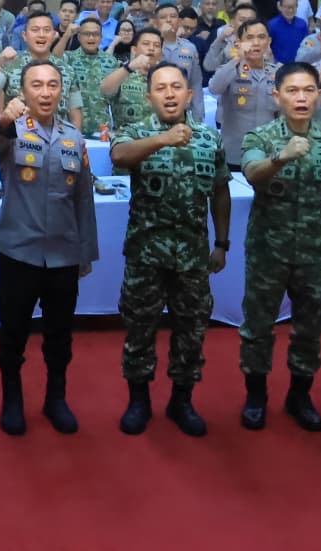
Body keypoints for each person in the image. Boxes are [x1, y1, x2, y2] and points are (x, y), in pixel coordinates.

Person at [111, 62, 231, 436]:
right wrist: (162, 140)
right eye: (160, 88)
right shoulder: (135, 132)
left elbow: (221, 191)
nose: (169, 94)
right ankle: (138, 400)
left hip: (193, 256)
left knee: (191, 331)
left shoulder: (208, 138)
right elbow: (119, 156)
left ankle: (182, 400)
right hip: (145, 254)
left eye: (176, 87)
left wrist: (222, 243)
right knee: (140, 329)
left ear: (189, 94)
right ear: (149, 97)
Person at [237, 62, 321, 432]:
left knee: (310, 328)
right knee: (258, 327)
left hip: (315, 251)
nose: (301, 98)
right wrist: (281, 156)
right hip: (267, 250)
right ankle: (256, 395)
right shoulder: (260, 137)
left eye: (308, 90)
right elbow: (251, 174)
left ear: (319, 94)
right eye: (292, 90)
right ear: (277, 96)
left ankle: (300, 395)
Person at [0, 64, 98, 436]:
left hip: (63, 254)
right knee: (13, 334)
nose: (45, 92)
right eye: (37, 85)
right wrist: (6, 117)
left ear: (61, 91)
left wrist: (85, 252)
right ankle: (12, 399)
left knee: (60, 334)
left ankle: (56, 398)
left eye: (52, 85)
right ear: (23, 91)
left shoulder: (73, 137)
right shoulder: (13, 129)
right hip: (19, 252)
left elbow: (83, 200)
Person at [0, 13, 83, 129]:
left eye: (47, 30)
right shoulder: (11, 64)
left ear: (54, 35)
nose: (41, 35)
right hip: (18, 135)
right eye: (35, 30)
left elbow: (75, 111)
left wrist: (75, 137)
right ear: (24, 36)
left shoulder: (67, 70)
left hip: (56, 136)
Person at [209, 20, 279, 169]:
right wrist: (237, 59)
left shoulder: (278, 73)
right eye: (250, 37)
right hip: (235, 152)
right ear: (239, 43)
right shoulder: (230, 69)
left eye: (261, 37)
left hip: (268, 152)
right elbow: (214, 88)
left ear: (269, 41)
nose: (256, 43)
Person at [101, 26, 165, 130]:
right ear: (134, 50)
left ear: (161, 54)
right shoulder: (122, 74)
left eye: (156, 45)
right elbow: (105, 90)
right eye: (146, 44)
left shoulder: (166, 78)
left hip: (158, 137)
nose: (151, 48)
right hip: (126, 137)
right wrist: (130, 67)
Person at [65, 17, 120, 137]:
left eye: (95, 34)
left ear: (101, 37)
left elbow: (116, 98)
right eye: (87, 34)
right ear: (79, 37)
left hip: (102, 129)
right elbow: (53, 61)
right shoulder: (68, 58)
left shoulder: (111, 62)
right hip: (72, 127)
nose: (91, 38)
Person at [155, 3, 205, 120]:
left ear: (179, 21)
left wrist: (198, 116)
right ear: (156, 22)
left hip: (182, 111)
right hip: (155, 110)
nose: (168, 20)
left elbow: (195, 83)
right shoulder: (151, 45)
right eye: (163, 17)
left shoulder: (190, 47)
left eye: (173, 16)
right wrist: (161, 37)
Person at [267, 0, 308, 65]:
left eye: (293, 7)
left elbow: (307, 45)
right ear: (280, 7)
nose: (290, 10)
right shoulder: (271, 25)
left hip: (298, 66)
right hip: (278, 67)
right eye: (287, 7)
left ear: (297, 7)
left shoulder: (302, 24)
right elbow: (266, 47)